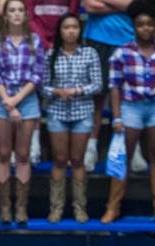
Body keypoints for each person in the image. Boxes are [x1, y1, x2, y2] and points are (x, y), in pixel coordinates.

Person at [101, 0, 155, 225]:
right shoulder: (121, 53)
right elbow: (114, 87)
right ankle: (112, 208)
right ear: (134, 26)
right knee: (122, 158)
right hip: (130, 107)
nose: (146, 28)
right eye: (141, 24)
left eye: (149, 24)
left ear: (154, 26)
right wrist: (116, 116)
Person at [0, 0, 44, 227]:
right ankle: (4, 207)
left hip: (26, 100)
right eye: (12, 10)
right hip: (1, 99)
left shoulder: (35, 41)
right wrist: (7, 102)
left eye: (21, 10)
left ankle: (21, 207)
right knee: (2, 153)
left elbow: (37, 75)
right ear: (5, 16)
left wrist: (16, 100)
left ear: (26, 15)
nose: (17, 14)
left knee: (22, 154)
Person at [42, 14, 101, 223]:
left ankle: (80, 208)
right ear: (60, 31)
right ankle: (56, 207)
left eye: (75, 27)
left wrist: (76, 90)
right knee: (59, 160)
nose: (71, 31)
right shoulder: (51, 54)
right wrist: (57, 91)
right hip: (57, 111)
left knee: (77, 160)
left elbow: (97, 84)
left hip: (82, 112)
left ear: (80, 30)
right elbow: (43, 85)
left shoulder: (90, 53)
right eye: (66, 27)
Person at [81, 0, 132, 171]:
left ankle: (129, 147)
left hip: (128, 37)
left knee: (128, 97)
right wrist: (123, 6)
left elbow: (138, 6)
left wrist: (107, 3)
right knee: (97, 96)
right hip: (97, 37)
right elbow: (89, 6)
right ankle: (90, 147)